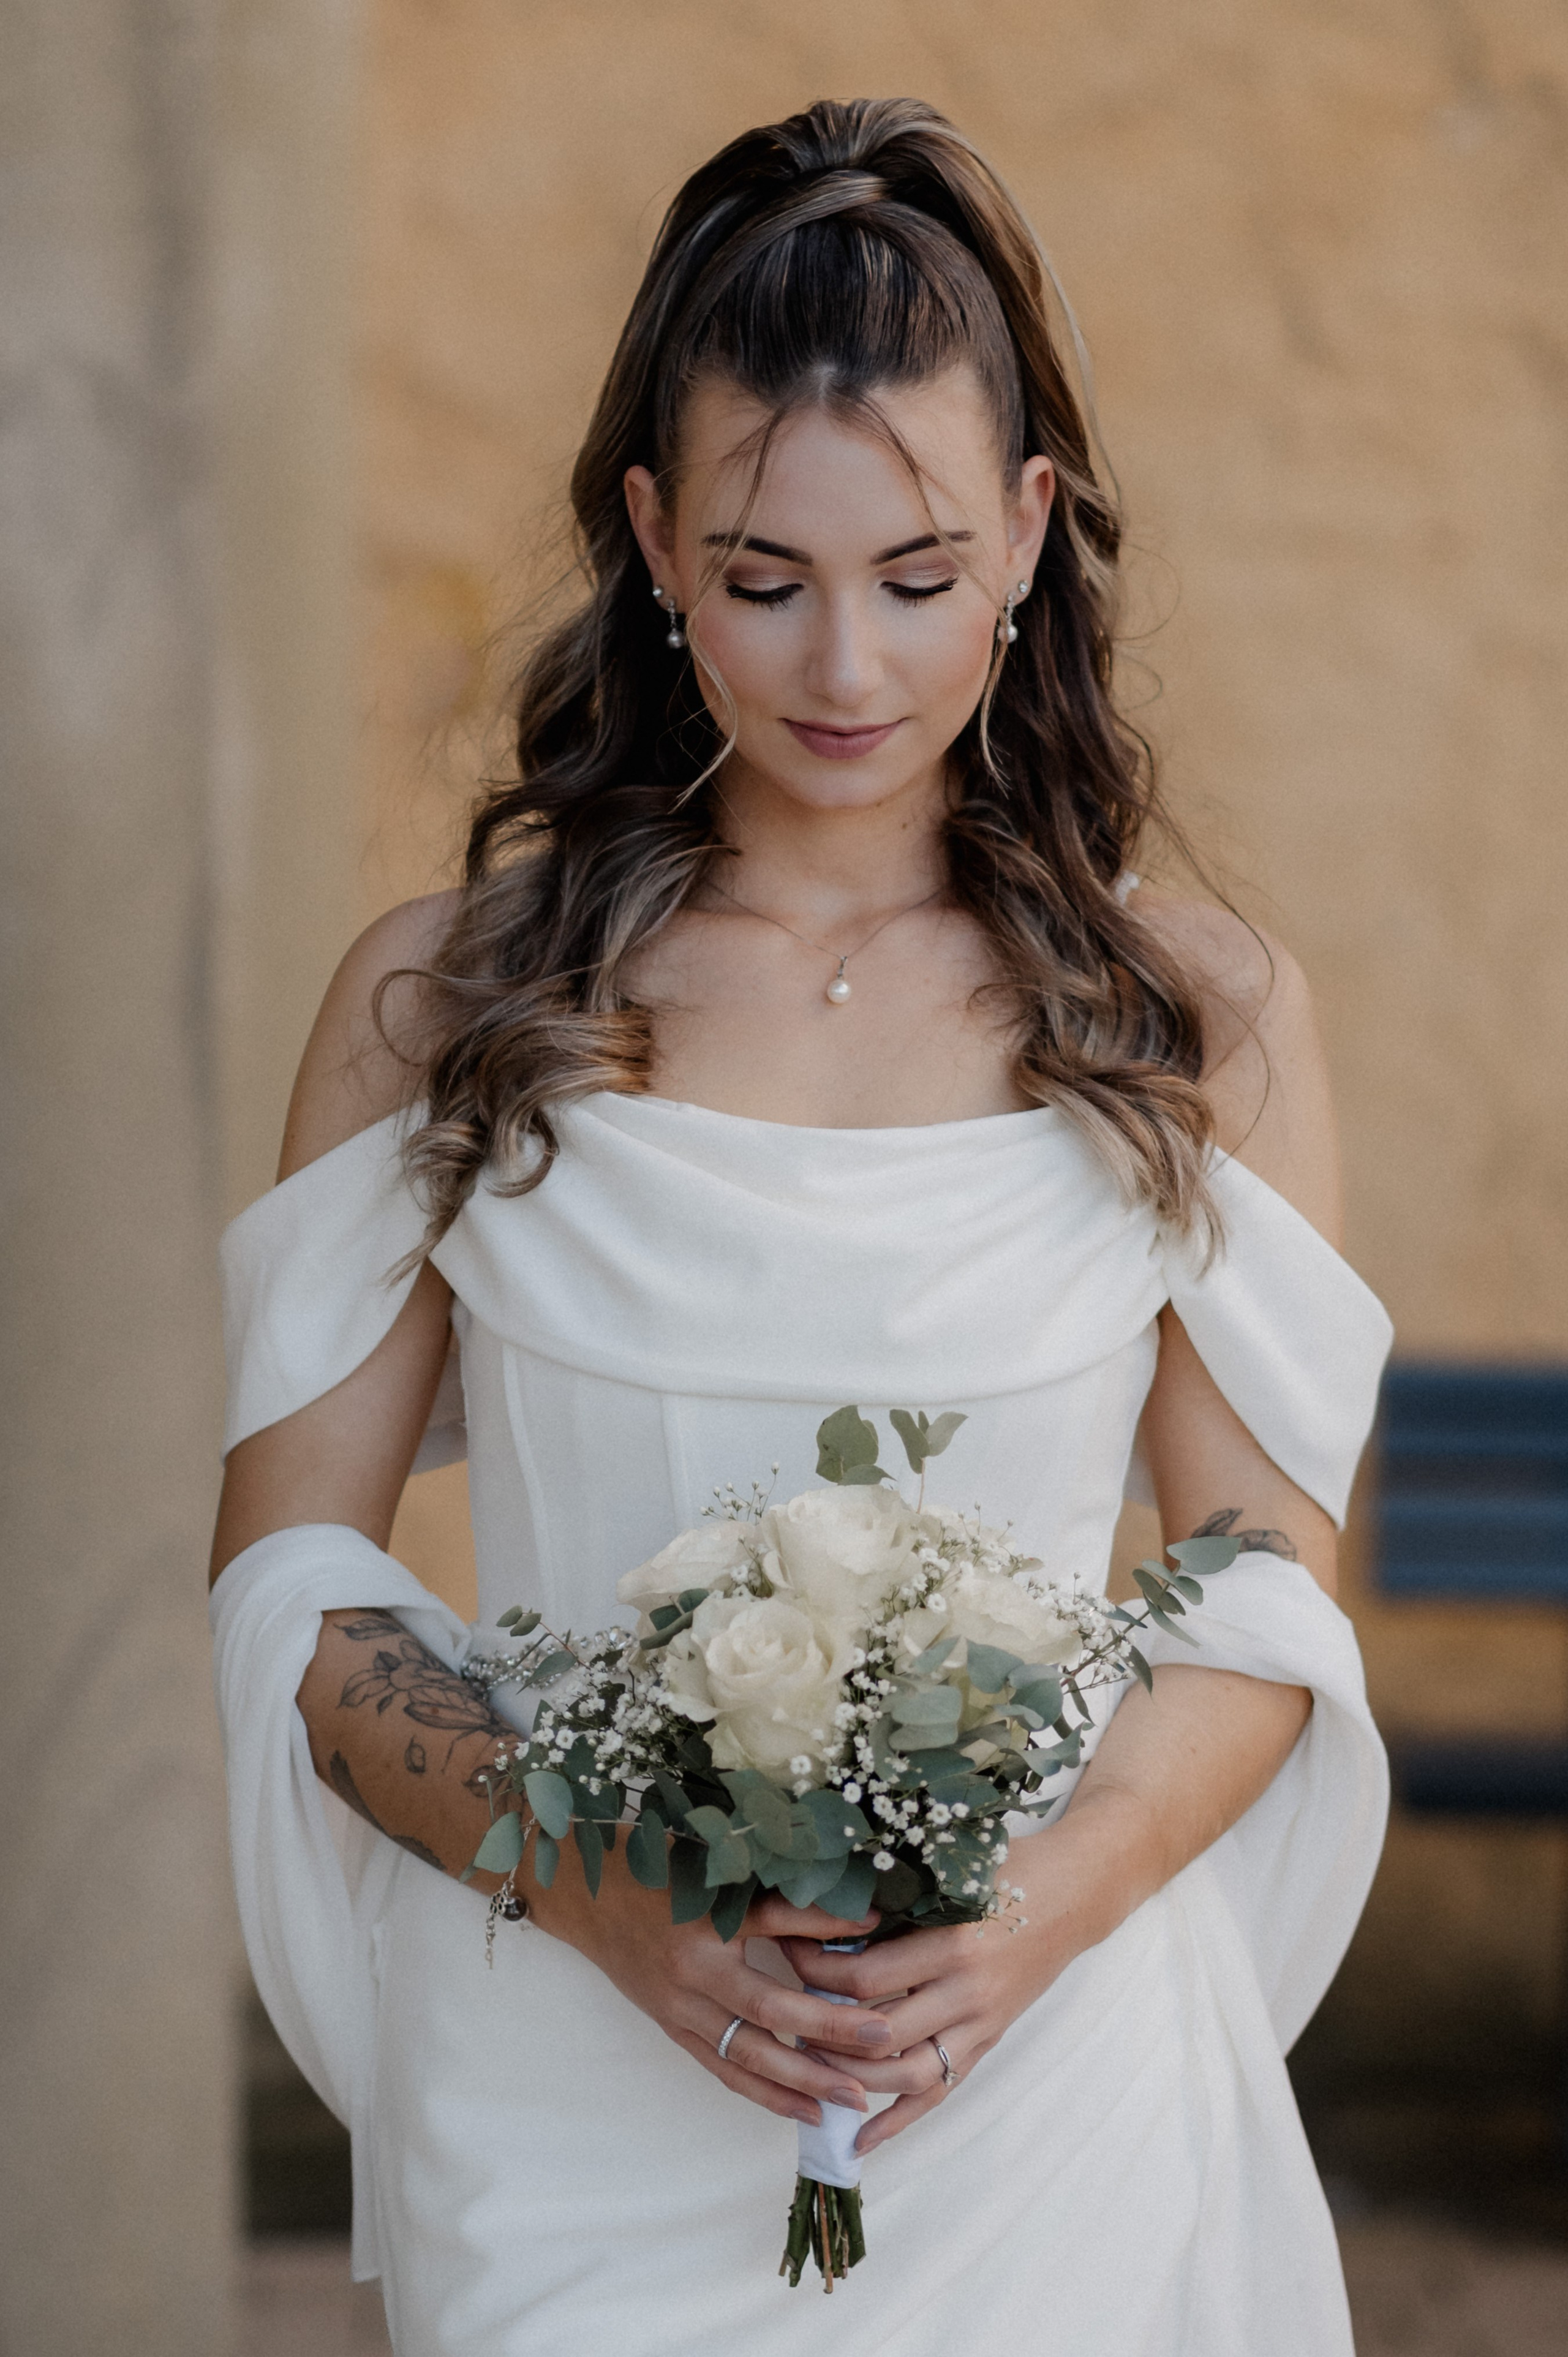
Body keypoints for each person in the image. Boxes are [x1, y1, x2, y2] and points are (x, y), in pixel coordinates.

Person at [209, 97, 1392, 2356]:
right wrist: (594, 1892)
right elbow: (294, 1576)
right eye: (766, 581)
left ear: (1028, 529)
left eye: (917, 579)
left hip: (1046, 2094)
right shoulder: (444, 1003)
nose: (847, 669)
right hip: (566, 2086)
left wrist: (1034, 1919)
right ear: (654, 543)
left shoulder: (1197, 1019)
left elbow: (1257, 1587)